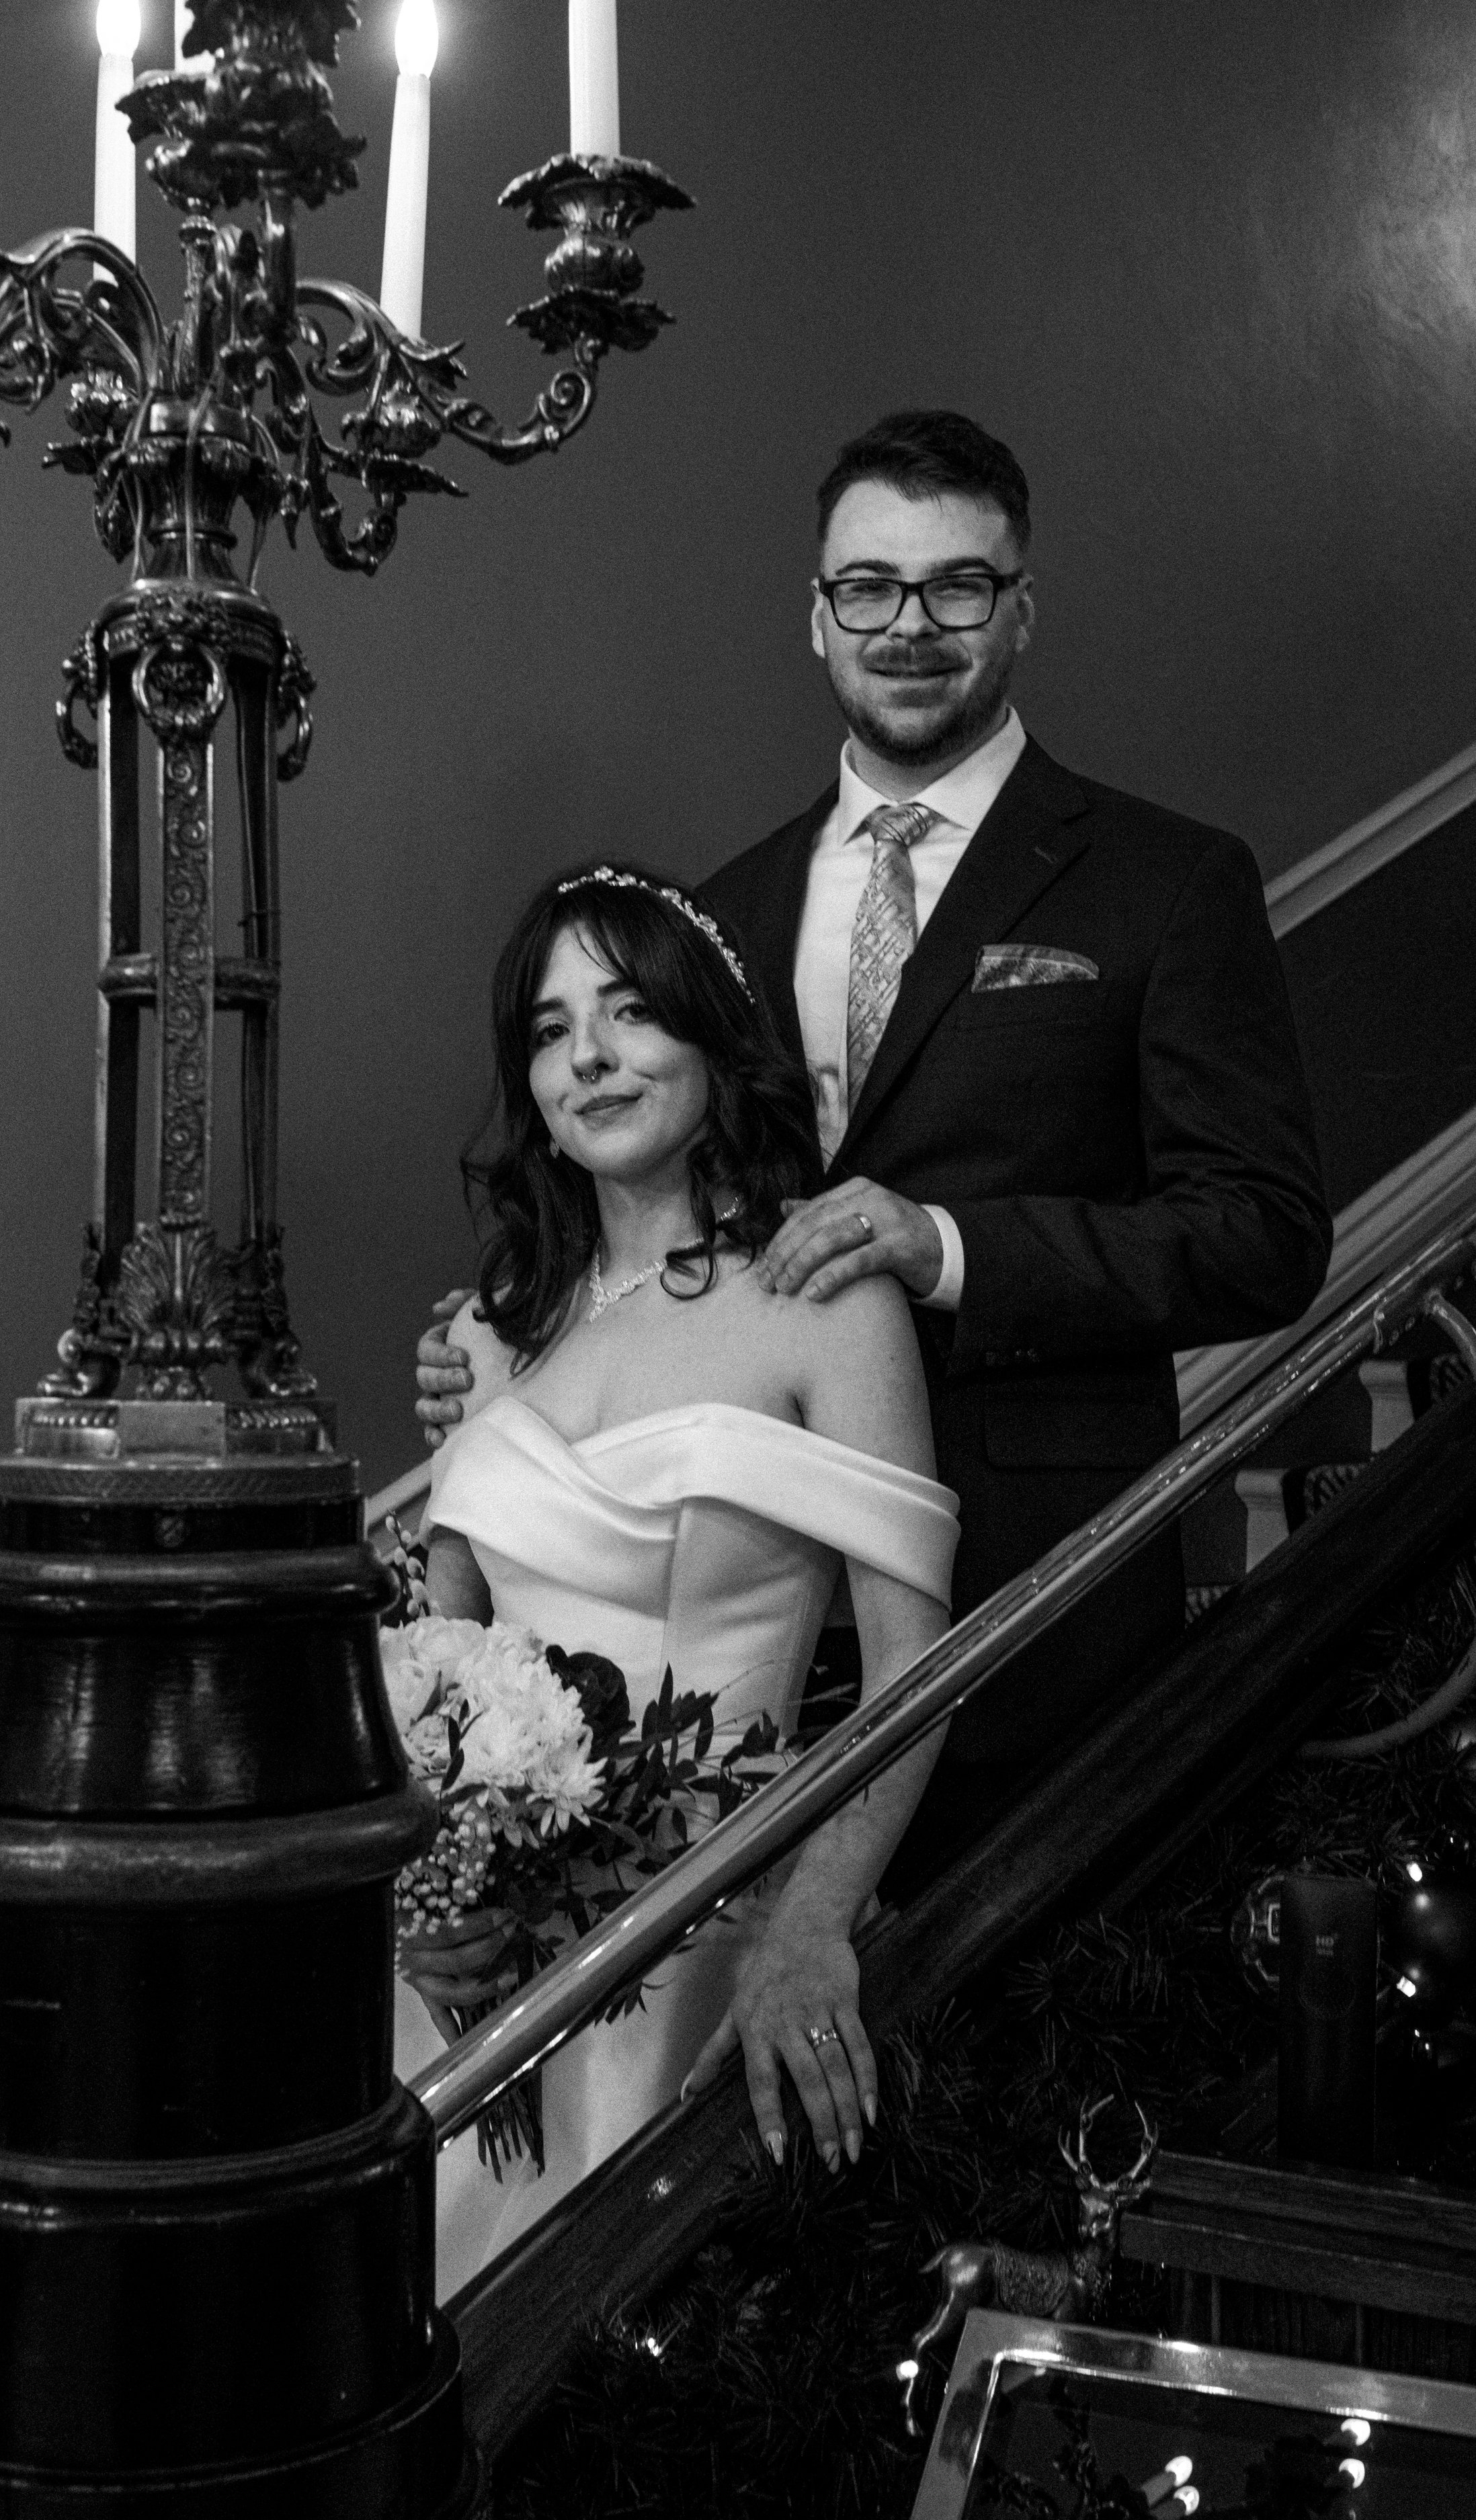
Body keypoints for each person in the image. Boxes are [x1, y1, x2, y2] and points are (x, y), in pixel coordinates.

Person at [419, 409, 1331, 1889]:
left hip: (1032, 1589)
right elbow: (657, 1194)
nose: (909, 625)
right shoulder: (722, 909)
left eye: (956, 586)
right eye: (867, 588)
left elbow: (1264, 1232)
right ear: (816, 615)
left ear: (1019, 606)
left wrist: (949, 1248)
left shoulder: (1162, 882)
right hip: (724, 1606)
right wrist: (523, 1344)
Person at [394, 864, 959, 2296]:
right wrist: (424, 1907)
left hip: (708, 1940)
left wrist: (814, 1923)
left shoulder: (822, 1295)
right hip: (482, 1977)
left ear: (714, 1039)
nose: (585, 1056)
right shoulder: (490, 1328)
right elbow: (433, 1674)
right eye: (546, 1028)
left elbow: (917, 1663)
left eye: (630, 1011)